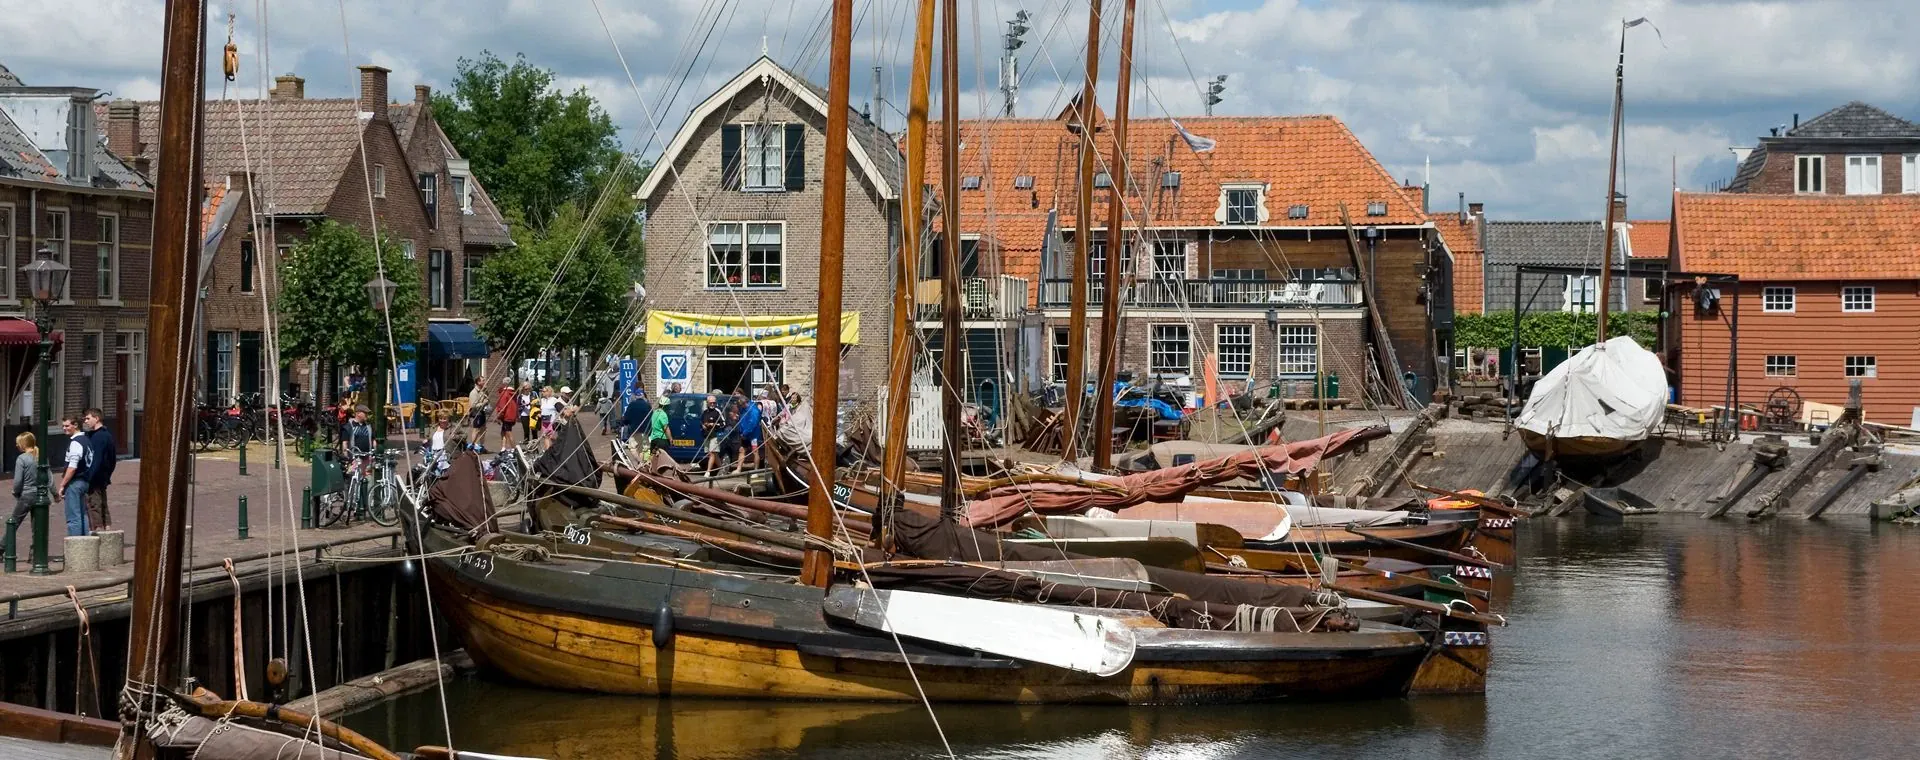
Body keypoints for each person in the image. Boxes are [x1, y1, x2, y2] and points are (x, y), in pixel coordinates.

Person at [55, 415, 91, 537]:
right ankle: (86, 545)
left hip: (75, 482)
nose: (64, 428)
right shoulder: (86, 440)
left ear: (75, 425)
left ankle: (75, 549)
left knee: (73, 517)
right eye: (63, 426)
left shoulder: (76, 443)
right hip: (85, 481)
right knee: (83, 515)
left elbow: (72, 467)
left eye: (67, 426)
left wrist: (62, 484)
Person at [81, 408, 116, 531]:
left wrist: (88, 477)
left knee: (94, 505)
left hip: (95, 478)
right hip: (103, 477)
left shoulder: (98, 437)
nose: (85, 421)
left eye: (88, 418)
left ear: (96, 419)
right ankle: (107, 530)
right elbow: (112, 460)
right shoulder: (106, 435)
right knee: (103, 504)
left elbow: (95, 459)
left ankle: (98, 532)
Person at [8, 432, 40, 543]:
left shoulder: (22, 459)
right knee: (37, 527)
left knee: (13, 522)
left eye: (18, 443)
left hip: (26, 494)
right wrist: (55, 493)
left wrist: (15, 492)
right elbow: (49, 478)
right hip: (40, 495)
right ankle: (35, 552)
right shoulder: (40, 457)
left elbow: (18, 481)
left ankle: (1, 548)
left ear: (24, 443)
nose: (17, 445)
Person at [738, 390, 764, 470]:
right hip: (744, 434)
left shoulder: (753, 410)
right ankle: (738, 469)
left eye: (741, 405)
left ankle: (755, 470)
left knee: (755, 452)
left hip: (753, 435)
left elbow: (753, 423)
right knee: (742, 450)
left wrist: (745, 433)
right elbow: (742, 420)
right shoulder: (743, 409)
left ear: (744, 403)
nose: (740, 406)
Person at [700, 395, 725, 473]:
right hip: (707, 435)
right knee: (712, 454)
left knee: (712, 453)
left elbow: (723, 423)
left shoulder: (717, 411)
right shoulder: (704, 412)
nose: (712, 404)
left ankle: (708, 471)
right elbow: (701, 421)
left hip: (715, 435)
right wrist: (703, 425)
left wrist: (714, 424)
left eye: (714, 403)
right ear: (707, 403)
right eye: (711, 403)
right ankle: (722, 469)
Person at [495, 382, 520, 450]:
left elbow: (502, 406)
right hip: (511, 415)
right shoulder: (513, 393)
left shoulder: (505, 393)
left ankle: (514, 449)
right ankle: (503, 447)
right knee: (503, 431)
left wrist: (499, 416)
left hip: (506, 416)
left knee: (508, 432)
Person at [647, 394, 672, 460]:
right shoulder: (663, 414)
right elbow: (666, 428)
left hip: (653, 439)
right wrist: (670, 439)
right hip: (662, 440)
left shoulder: (655, 412)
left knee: (653, 459)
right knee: (663, 459)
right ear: (666, 406)